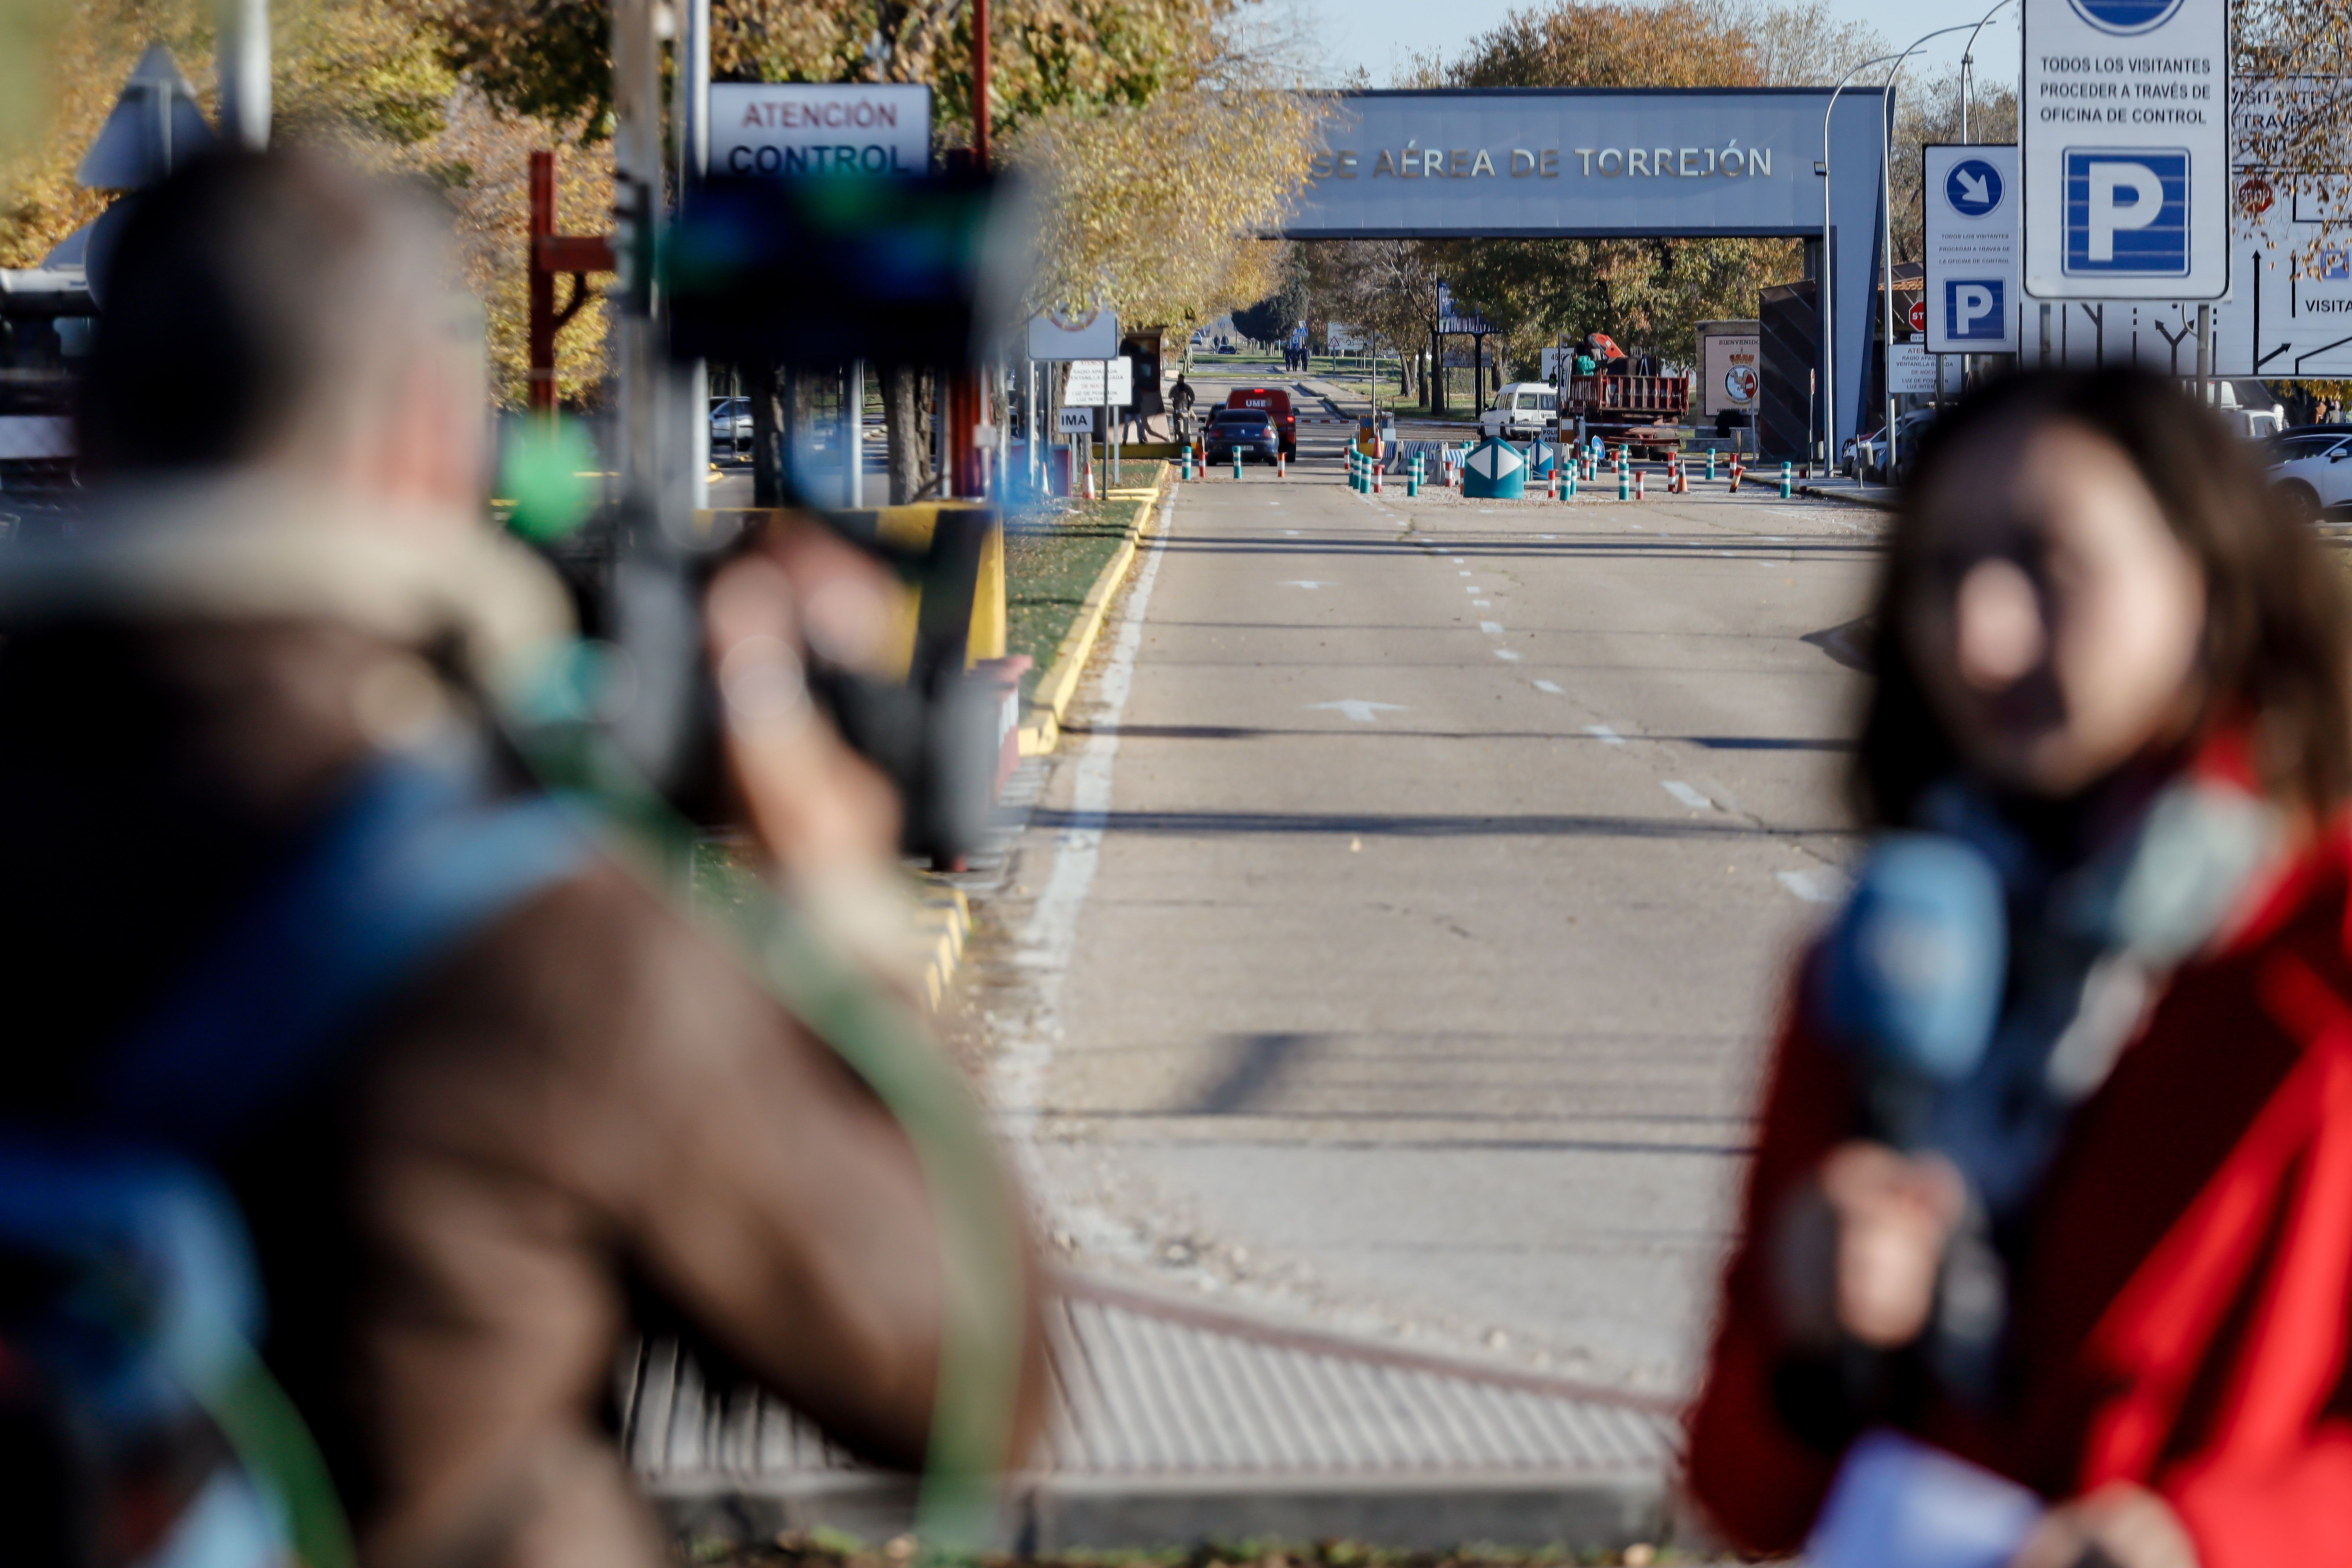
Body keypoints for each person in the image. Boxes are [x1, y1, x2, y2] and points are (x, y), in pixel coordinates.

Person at [0, 149, 1047, 1567]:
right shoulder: (546, 934)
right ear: (436, 436)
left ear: (84, 430)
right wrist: (838, 909)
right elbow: (964, 1390)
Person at [1687, 368, 2352, 1568]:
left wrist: (2205, 1543)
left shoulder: (2323, 956)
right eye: (1943, 574)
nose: (1982, 633)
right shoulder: (1873, 958)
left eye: (2051, 563)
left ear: (2208, 582)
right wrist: (1812, 1354)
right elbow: (1744, 1496)